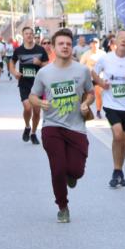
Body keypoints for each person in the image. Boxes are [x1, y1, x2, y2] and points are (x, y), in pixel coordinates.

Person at [29, 28, 95, 223]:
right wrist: (40, 103)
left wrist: (86, 103)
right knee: (57, 168)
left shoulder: (82, 70)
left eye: (68, 43)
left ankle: (71, 175)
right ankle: (62, 206)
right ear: (53, 47)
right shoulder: (44, 72)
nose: (65, 47)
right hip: (52, 126)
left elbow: (90, 92)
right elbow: (32, 96)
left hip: (76, 126)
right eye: (61, 44)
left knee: (76, 171)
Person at [91, 30, 125, 188]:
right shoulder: (106, 58)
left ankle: (119, 170)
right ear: (115, 41)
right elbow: (93, 72)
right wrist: (101, 83)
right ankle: (116, 168)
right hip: (111, 104)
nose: (123, 41)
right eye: (121, 38)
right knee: (118, 134)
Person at [10, 26, 49, 144]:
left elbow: (47, 65)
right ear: (23, 35)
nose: (29, 35)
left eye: (31, 33)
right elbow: (11, 63)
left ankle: (33, 133)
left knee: (37, 111)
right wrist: (14, 72)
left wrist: (40, 63)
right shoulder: (19, 50)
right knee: (27, 108)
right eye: (26, 33)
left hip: (38, 84)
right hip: (24, 83)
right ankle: (27, 126)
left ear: (33, 35)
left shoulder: (40, 50)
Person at [79, 38, 104, 118]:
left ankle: (98, 110)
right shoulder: (86, 54)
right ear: (90, 44)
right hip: (89, 78)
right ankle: (86, 109)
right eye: (93, 43)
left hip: (99, 78)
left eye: (96, 43)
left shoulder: (103, 54)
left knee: (98, 94)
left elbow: (108, 66)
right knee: (87, 96)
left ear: (99, 44)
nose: (94, 45)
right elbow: (81, 65)